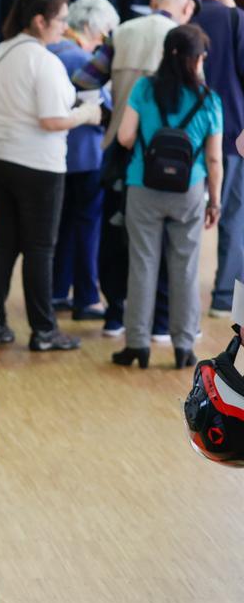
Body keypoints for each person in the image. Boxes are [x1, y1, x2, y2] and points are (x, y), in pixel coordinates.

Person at [0, 0, 102, 352]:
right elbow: (51, 119)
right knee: (40, 248)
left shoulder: (4, 50)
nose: (66, 26)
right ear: (40, 20)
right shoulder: (44, 61)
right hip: (35, 164)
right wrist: (88, 113)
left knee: (4, 242)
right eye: (61, 19)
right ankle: (44, 330)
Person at [72, 0, 201, 337]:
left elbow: (84, 80)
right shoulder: (185, 38)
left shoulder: (122, 32)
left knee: (115, 233)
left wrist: (112, 105)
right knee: (169, 241)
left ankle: (116, 313)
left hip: (121, 148)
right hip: (174, 154)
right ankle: (162, 323)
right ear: (187, 7)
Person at [113, 25, 223, 369]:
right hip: (189, 191)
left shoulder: (144, 88)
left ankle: (137, 345)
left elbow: (124, 136)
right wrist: (215, 200)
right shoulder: (209, 99)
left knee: (142, 265)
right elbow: (216, 157)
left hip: (143, 187)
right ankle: (183, 347)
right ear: (197, 59)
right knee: (185, 269)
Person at [47, 0, 119, 321]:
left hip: (56, 156)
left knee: (62, 226)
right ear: (91, 26)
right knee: (88, 227)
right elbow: (104, 110)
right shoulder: (78, 58)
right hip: (85, 155)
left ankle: (58, 292)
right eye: (106, 33)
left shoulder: (51, 51)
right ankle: (87, 297)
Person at [185, 0, 244, 318]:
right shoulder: (236, 20)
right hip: (233, 132)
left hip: (182, 134)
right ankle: (224, 298)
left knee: (183, 216)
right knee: (234, 215)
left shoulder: (182, 18)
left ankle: (178, 300)